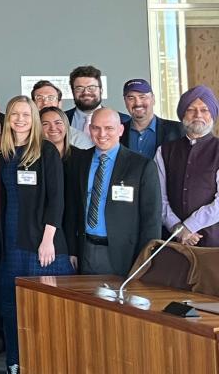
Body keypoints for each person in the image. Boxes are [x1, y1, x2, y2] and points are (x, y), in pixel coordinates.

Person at [0, 96, 72, 374]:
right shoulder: (2, 154)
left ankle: (46, 366)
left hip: (42, 243)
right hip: (12, 242)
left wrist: (48, 239)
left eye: (26, 114)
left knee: (45, 308)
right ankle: (16, 364)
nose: (20, 119)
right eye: (14, 114)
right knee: (11, 306)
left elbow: (57, 199)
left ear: (34, 119)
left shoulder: (47, 152)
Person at [64, 108, 161, 276]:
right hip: (86, 250)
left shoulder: (142, 166)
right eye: (96, 128)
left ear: (121, 130)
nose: (102, 134)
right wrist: (72, 249)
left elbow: (151, 218)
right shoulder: (78, 161)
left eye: (109, 128)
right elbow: (72, 209)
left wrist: (145, 258)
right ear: (89, 129)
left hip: (125, 255)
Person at [156, 85, 219, 247]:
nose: (198, 115)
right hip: (174, 240)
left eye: (204, 110)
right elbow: (159, 198)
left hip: (213, 242)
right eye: (191, 109)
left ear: (212, 114)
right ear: (183, 114)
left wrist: (189, 226)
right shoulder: (164, 151)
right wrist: (177, 228)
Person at [121, 79, 182, 160]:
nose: (138, 103)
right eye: (131, 98)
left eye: (142, 97)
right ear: (125, 101)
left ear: (153, 99)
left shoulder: (177, 130)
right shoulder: (118, 132)